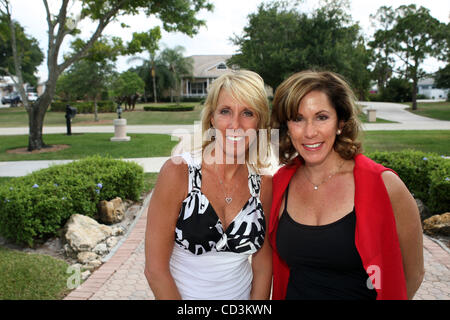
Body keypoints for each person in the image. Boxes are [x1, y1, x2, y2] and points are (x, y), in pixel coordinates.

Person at [269, 70, 424, 300]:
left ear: (340, 122)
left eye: (322, 117)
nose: (310, 132)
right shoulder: (281, 183)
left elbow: (413, 274)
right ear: (287, 127)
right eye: (298, 119)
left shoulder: (384, 185)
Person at [144, 70, 273, 300]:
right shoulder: (178, 173)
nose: (235, 124)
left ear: (259, 122)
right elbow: (155, 271)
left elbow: (263, 265)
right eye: (225, 111)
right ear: (212, 118)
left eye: (247, 113)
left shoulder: (263, 185)